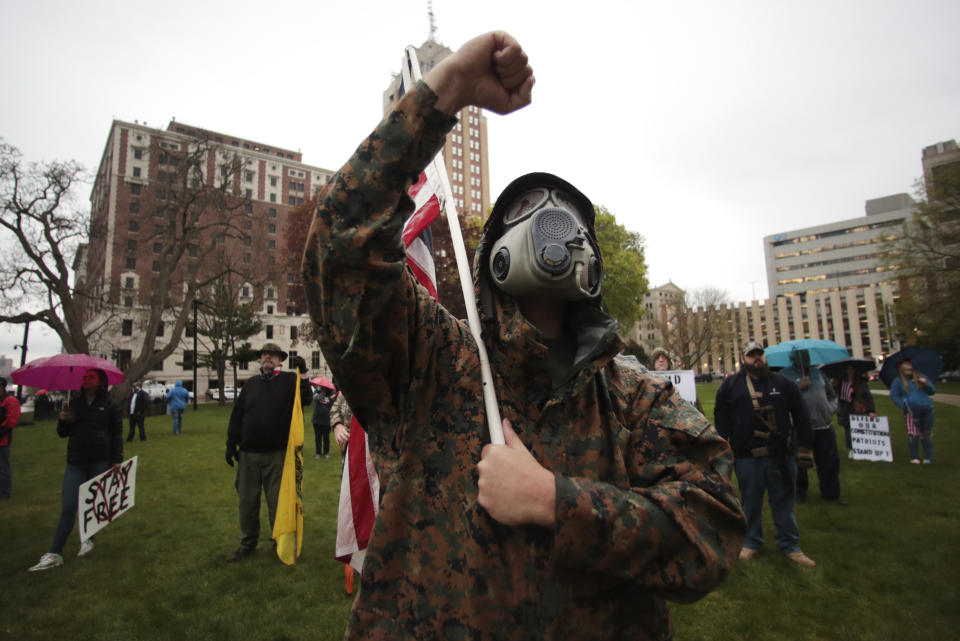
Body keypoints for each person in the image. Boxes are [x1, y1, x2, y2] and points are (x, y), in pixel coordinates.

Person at [301, 31, 745, 639]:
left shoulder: (633, 396)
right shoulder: (429, 359)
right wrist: (449, 89)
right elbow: (340, 245)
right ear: (492, 259)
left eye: (568, 215)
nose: (553, 221)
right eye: (528, 206)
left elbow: (712, 528)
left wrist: (554, 502)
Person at [714, 342, 817, 567]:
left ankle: (790, 545)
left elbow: (800, 414)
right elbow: (721, 416)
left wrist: (805, 446)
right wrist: (722, 446)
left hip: (780, 455)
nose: (756, 359)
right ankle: (751, 542)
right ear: (744, 358)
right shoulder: (731, 385)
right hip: (746, 456)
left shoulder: (782, 383)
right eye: (751, 355)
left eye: (759, 354)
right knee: (750, 502)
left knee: (784, 502)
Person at [28, 368, 122, 571]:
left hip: (100, 459)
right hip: (76, 461)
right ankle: (55, 551)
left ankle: (88, 539)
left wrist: (116, 459)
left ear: (100, 382)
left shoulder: (109, 404)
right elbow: (63, 434)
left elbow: (116, 433)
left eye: (91, 377)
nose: (86, 380)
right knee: (69, 505)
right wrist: (64, 420)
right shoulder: (75, 403)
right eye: (85, 377)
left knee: (93, 503)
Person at [223, 344, 311, 562]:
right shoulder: (251, 384)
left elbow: (306, 399)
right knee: (247, 502)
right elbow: (237, 415)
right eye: (264, 354)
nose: (267, 357)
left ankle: (278, 541)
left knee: (277, 502)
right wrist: (231, 443)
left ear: (280, 359)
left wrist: (305, 375)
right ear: (260, 359)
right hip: (249, 454)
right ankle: (247, 542)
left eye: (272, 354)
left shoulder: (290, 381)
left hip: (276, 454)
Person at [779, 349, 845, 505]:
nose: (805, 358)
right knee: (798, 464)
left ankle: (831, 494)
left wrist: (830, 409)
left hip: (823, 426)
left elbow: (832, 395)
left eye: (807, 355)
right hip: (799, 428)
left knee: (829, 463)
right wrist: (797, 386)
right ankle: (799, 493)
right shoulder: (784, 375)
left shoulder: (819, 374)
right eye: (801, 356)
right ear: (793, 359)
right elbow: (780, 399)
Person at [889, 358, 936, 464]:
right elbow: (894, 395)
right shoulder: (898, 381)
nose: (908, 367)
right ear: (901, 368)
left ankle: (928, 458)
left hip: (927, 409)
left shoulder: (921, 377)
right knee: (913, 434)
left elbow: (932, 391)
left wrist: (925, 384)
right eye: (905, 365)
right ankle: (915, 457)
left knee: (926, 434)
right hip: (912, 411)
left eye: (909, 365)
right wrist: (904, 405)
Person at [833, 365, 876, 456]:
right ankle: (850, 449)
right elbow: (835, 394)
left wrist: (871, 410)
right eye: (848, 369)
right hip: (845, 408)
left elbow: (868, 397)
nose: (850, 371)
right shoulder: (840, 381)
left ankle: (862, 448)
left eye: (852, 369)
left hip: (857, 408)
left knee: (859, 429)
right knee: (848, 430)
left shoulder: (861, 382)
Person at [0, 377, 22, 499]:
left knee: (3, 467)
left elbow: (11, 421)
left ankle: (4, 493)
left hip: (3, 439)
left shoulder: (10, 401)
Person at [311, 385, 336, 459]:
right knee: (318, 437)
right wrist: (322, 392)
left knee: (326, 437)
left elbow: (333, 405)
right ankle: (318, 453)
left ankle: (326, 453)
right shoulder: (317, 391)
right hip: (317, 420)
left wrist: (330, 394)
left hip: (327, 420)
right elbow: (315, 398)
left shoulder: (331, 393)